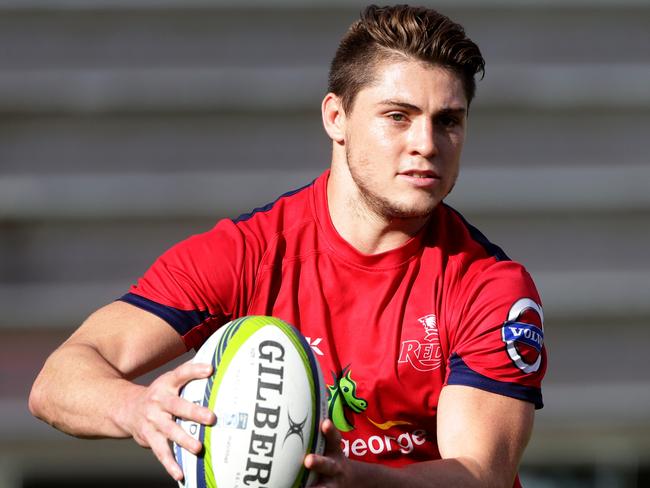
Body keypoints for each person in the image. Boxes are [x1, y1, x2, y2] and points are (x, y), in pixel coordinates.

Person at [29, 5, 546, 487]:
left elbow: (481, 474)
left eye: (447, 121)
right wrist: (136, 409)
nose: (427, 144)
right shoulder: (248, 254)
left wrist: (353, 478)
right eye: (397, 116)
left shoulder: (489, 286)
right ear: (336, 118)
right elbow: (58, 380)